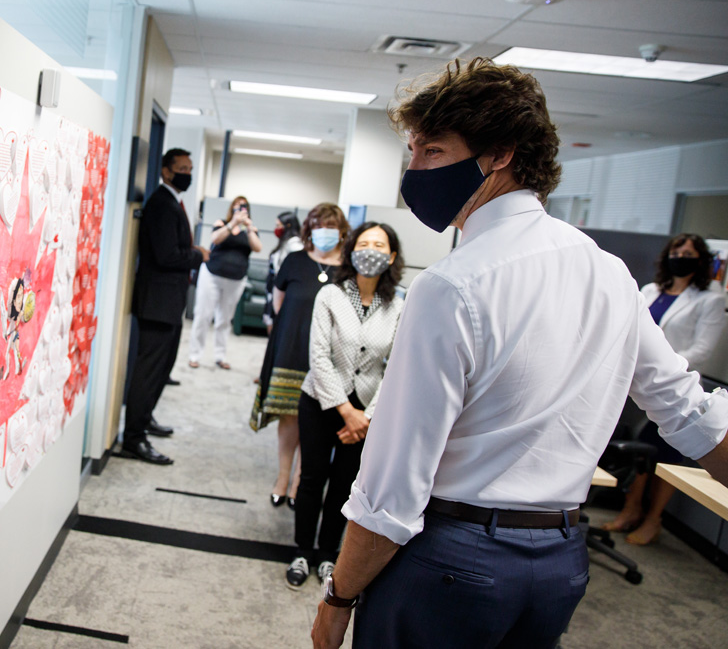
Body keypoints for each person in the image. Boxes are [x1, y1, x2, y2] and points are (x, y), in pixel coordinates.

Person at [310, 58, 728, 649]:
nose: (414, 171)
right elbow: (689, 411)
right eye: (413, 153)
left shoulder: (452, 285)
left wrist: (338, 598)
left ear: (500, 154)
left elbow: (393, 483)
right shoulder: (609, 273)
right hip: (557, 564)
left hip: (451, 560)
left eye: (432, 152)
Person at [285, 221, 404, 591]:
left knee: (345, 486)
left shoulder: (398, 306)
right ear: (352, 251)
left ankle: (327, 554)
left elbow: (396, 367)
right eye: (364, 243)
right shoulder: (331, 296)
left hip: (367, 411)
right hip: (321, 399)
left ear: (392, 256)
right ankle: (302, 550)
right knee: (312, 477)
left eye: (379, 245)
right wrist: (346, 410)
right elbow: (318, 357)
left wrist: (366, 415)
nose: (370, 250)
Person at [602, 233, 727, 544]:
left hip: (671, 383)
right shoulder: (650, 290)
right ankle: (631, 509)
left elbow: (703, 349)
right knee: (639, 450)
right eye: (677, 250)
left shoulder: (710, 299)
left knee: (666, 453)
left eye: (689, 252)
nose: (681, 256)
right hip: (629, 382)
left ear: (701, 261)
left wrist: (658, 367)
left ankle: (653, 518)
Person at [251, 203, 349, 509]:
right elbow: (279, 304)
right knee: (289, 417)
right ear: (309, 229)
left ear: (342, 231)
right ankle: (282, 478)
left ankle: (299, 482)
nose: (324, 232)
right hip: (291, 348)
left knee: (317, 421)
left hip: (328, 356)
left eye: (331, 227)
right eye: (318, 225)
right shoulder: (294, 260)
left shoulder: (347, 268)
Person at [125, 148, 209, 465]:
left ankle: (144, 420)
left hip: (168, 303)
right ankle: (134, 439)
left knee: (162, 368)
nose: (187, 172)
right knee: (148, 373)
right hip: (157, 304)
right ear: (166, 171)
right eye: (182, 168)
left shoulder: (173, 202)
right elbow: (166, 256)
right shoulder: (162, 204)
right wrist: (198, 255)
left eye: (190, 167)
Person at [188, 196, 262, 370]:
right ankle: (194, 355)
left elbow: (257, 247)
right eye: (236, 206)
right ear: (231, 209)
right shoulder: (222, 223)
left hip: (235, 279)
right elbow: (216, 239)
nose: (239, 209)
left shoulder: (250, 230)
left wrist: (249, 226)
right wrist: (233, 224)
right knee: (203, 315)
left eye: (243, 206)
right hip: (212, 275)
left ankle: (220, 356)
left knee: (224, 320)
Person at [264, 211, 303, 333]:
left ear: (288, 226)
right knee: (270, 321)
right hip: (274, 287)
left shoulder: (295, 244)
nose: (277, 229)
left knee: (277, 325)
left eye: (279, 225)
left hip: (284, 289)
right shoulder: (284, 242)